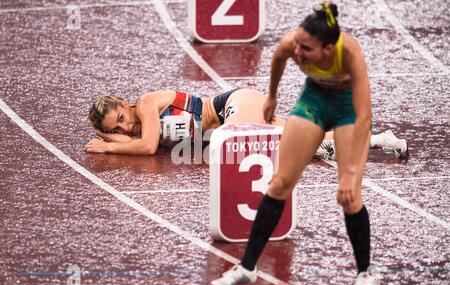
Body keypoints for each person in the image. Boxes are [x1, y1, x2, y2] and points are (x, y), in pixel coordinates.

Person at [211, 3, 380, 285]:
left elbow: (365, 116)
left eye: (306, 49)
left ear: (328, 49)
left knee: (349, 195)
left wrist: (352, 174)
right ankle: (248, 267)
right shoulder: (293, 42)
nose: (297, 52)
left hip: (348, 110)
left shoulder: (349, 53)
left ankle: (364, 273)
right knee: (279, 183)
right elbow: (278, 57)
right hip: (313, 100)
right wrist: (272, 97)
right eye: (297, 45)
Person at [86, 88, 407, 159]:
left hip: (231, 105)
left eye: (122, 119)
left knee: (236, 142)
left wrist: (104, 146)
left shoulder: (144, 105)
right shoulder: (134, 126)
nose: (125, 129)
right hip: (233, 114)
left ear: (125, 104)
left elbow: (147, 146)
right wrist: (108, 138)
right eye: (116, 129)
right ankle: (380, 140)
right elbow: (135, 143)